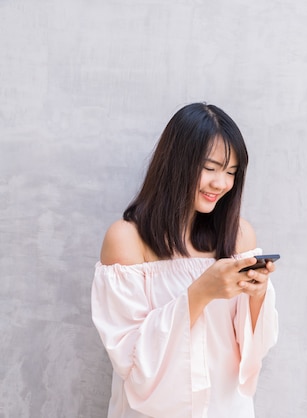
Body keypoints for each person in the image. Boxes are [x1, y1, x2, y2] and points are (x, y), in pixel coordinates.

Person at [91, 103, 279, 418]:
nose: (222, 184)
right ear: (176, 163)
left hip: (226, 408)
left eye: (231, 172)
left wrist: (258, 295)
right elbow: (133, 362)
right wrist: (200, 292)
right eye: (210, 167)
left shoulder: (238, 236)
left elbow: (251, 351)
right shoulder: (126, 240)